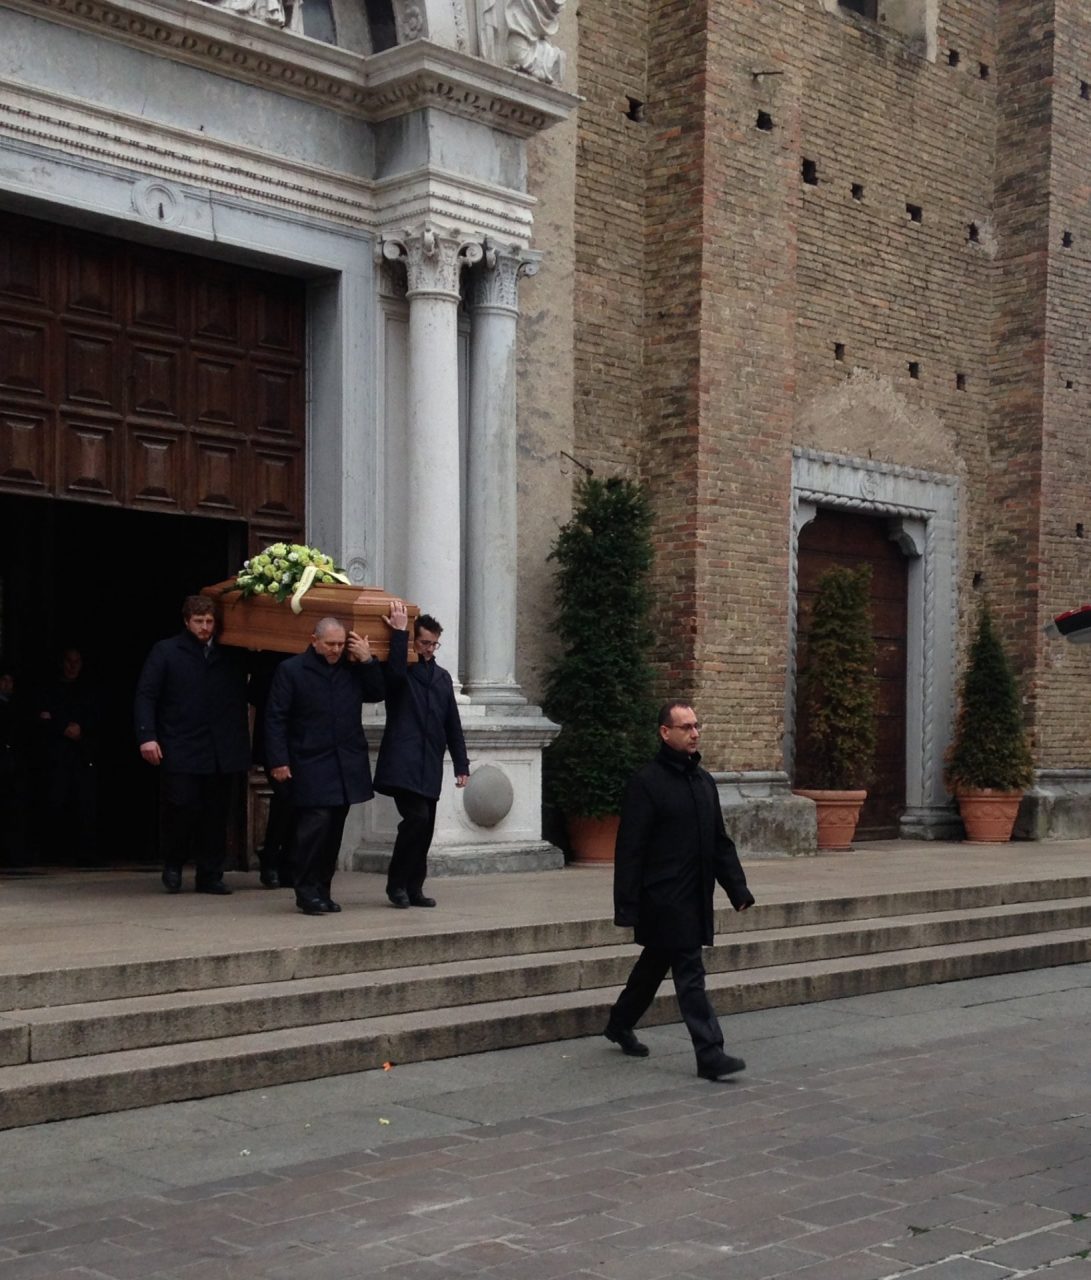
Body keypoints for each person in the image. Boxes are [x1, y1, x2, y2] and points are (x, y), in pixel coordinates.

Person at [605, 700, 755, 1081]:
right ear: (664, 733)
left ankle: (619, 1022)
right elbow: (630, 849)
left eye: (696, 726)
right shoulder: (646, 783)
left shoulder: (703, 781)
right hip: (663, 899)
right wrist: (627, 906)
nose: (694, 733)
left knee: (654, 966)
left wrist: (737, 889)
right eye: (685, 727)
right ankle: (710, 1053)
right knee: (690, 973)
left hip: (695, 895)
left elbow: (719, 842)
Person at [264, 606, 406, 915]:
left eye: (341, 644)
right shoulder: (292, 670)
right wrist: (278, 761)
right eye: (330, 644)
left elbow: (379, 691)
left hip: (345, 763)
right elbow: (275, 719)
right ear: (314, 640)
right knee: (313, 828)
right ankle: (305, 891)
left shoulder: (352, 669)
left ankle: (323, 890)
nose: (336, 650)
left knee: (333, 832)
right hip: (308, 761)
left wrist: (368, 660)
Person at [134, 595, 250, 895]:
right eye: (199, 621)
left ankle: (210, 874)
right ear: (187, 622)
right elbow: (146, 695)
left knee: (216, 814)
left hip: (222, 749)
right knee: (181, 808)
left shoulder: (231, 652)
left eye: (210, 621)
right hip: (181, 745)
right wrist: (148, 736)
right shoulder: (167, 651)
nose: (205, 627)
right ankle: (173, 863)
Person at [374, 612, 469, 909]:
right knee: (417, 819)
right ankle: (396, 884)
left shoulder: (441, 678)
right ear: (414, 641)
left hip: (429, 763)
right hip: (402, 761)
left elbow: (452, 723)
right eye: (424, 642)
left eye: (434, 644)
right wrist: (399, 635)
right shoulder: (402, 671)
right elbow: (395, 676)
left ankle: (415, 887)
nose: (429, 649)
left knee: (425, 828)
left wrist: (461, 764)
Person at [37, 647, 99, 863]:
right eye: (68, 661)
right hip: (57, 755)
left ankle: (84, 854)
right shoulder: (50, 690)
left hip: (82, 755)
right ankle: (53, 853)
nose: (72, 666)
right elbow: (43, 718)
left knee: (84, 803)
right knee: (55, 801)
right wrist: (62, 726)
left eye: (77, 662)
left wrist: (81, 729)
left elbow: (97, 718)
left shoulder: (89, 690)